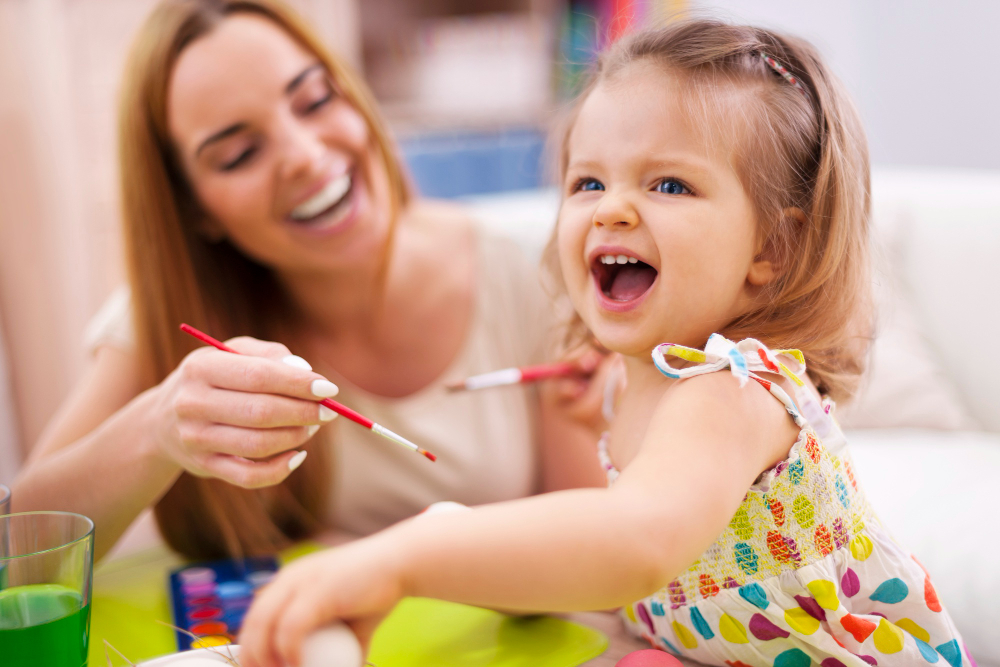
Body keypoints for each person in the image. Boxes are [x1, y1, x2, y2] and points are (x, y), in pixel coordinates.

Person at [238, 19, 972, 667]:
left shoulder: (733, 390)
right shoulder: (633, 384)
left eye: (670, 186)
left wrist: (405, 556)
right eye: (587, 182)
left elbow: (633, 544)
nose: (611, 209)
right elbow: (606, 554)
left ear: (773, 247)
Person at [11, 0, 608, 562]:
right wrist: (155, 428)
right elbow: (16, 552)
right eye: (241, 153)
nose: (302, 154)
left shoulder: (532, 275)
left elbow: (594, 558)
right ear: (195, 210)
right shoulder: (172, 315)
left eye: (315, 100)